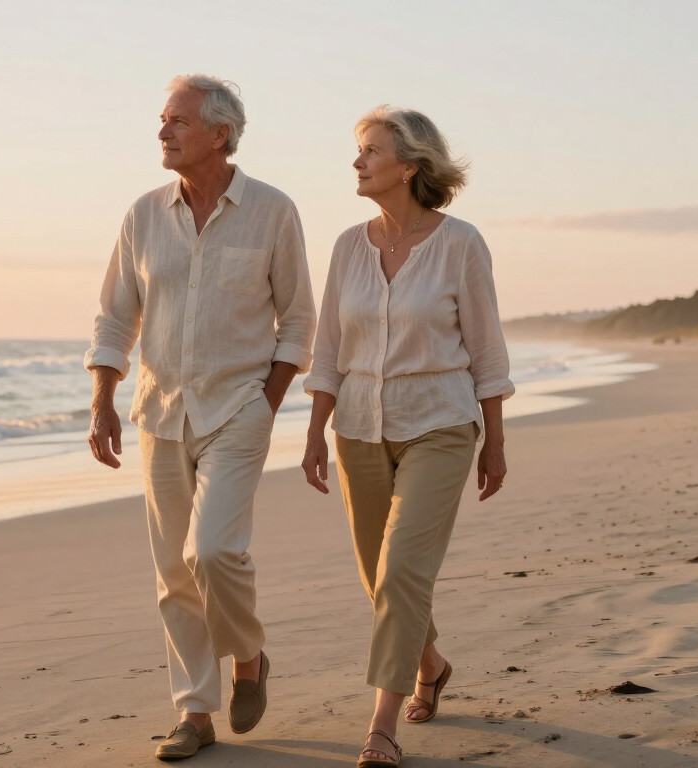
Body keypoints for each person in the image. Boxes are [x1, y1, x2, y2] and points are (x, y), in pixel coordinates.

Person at [85, 74, 317, 761]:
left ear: (221, 133)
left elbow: (298, 320)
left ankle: (248, 658)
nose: (163, 132)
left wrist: (265, 403)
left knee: (211, 552)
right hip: (159, 410)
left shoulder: (272, 211)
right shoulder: (143, 215)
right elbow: (114, 316)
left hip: (238, 407)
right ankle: (194, 711)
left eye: (178, 121)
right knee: (173, 574)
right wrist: (102, 400)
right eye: (163, 119)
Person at [300, 105, 512, 767]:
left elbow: (487, 348)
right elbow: (328, 350)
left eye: (370, 151)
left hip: (442, 426)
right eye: (357, 150)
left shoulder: (461, 244)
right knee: (381, 580)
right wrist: (313, 431)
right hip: (357, 430)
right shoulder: (345, 246)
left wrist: (496, 441)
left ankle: (382, 728)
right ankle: (432, 663)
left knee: (400, 576)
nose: (357, 161)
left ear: (411, 166)